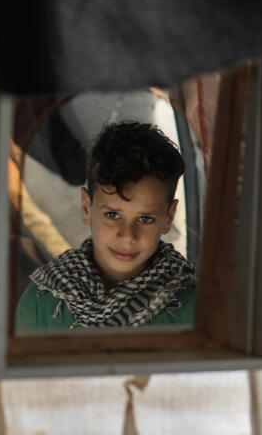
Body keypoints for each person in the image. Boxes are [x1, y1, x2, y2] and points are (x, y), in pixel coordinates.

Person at [14, 122, 196, 330]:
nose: (127, 236)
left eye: (145, 219)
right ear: (86, 207)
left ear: (168, 217)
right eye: (112, 214)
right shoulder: (41, 304)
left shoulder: (193, 308)